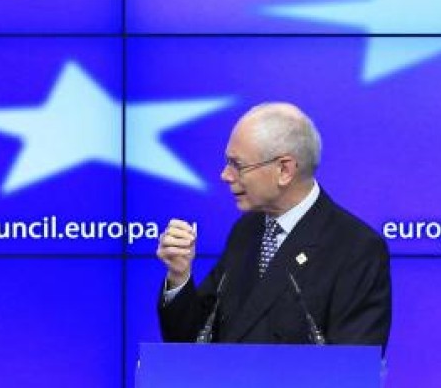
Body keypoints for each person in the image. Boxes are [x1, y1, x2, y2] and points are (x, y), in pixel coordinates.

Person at [156, 102, 391, 347]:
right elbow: (188, 342)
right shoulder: (245, 231)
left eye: (237, 165)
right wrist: (179, 275)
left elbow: (350, 371)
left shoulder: (356, 249)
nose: (225, 175)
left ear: (284, 170)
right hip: (224, 386)